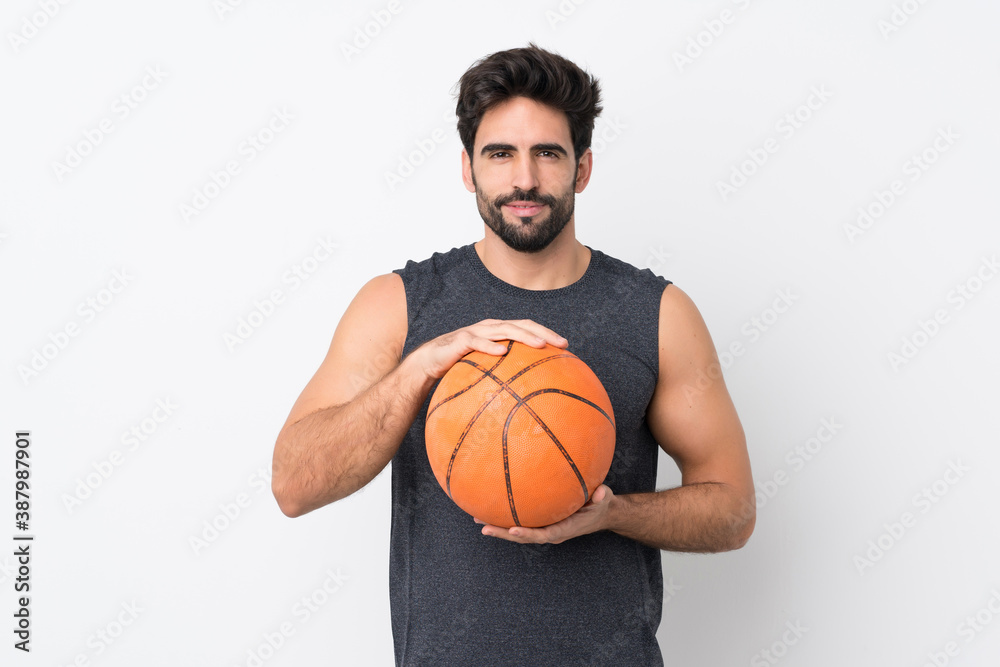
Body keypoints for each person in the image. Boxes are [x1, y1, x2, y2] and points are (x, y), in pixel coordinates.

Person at [271, 43, 755, 666]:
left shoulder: (658, 313)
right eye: (500, 154)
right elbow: (294, 485)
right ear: (468, 170)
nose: (523, 179)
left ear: (582, 168)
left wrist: (612, 514)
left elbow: (733, 510)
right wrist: (420, 367)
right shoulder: (397, 306)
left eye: (547, 153)